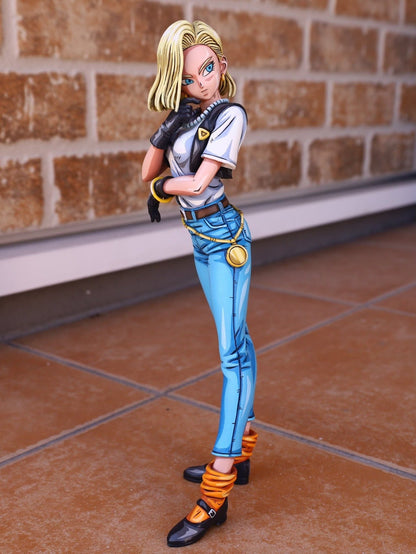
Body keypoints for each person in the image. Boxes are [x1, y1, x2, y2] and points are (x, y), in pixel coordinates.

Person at [141, 19, 258, 548]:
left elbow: (194, 183)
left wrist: (163, 188)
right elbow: (146, 169)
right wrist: (167, 127)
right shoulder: (186, 116)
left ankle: (217, 490)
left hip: (225, 238)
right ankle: (244, 448)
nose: (202, 82)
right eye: (189, 77)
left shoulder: (230, 114)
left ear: (222, 65)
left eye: (208, 69)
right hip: (200, 240)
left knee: (231, 355)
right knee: (239, 344)